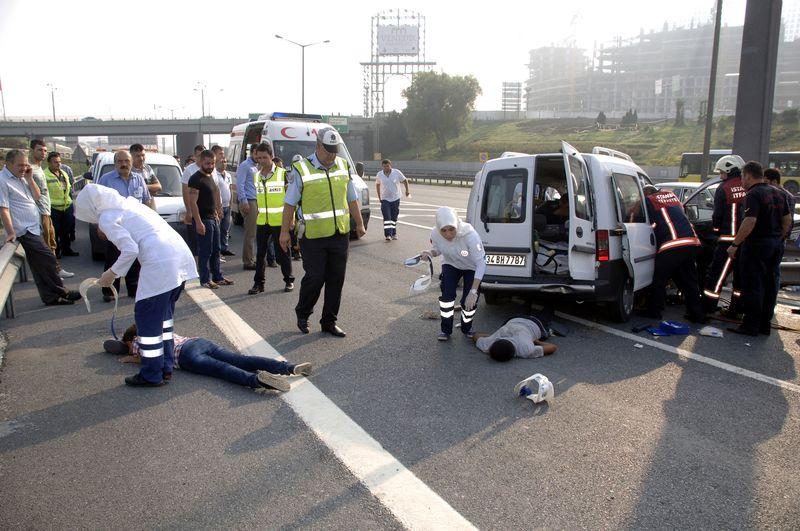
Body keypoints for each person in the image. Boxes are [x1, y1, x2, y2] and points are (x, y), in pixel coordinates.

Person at [74, 184, 198, 387]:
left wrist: (110, 274)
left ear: (91, 208)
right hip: (180, 260)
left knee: (147, 323)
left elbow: (129, 250)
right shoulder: (131, 205)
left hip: (160, 265)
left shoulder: (107, 217)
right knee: (164, 319)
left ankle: (151, 374)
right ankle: (165, 367)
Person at [279, 128, 367, 337]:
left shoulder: (343, 166)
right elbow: (289, 203)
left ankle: (329, 321)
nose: (332, 155)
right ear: (318, 146)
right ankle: (303, 313)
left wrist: (360, 223)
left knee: (337, 279)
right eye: (328, 150)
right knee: (315, 277)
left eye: (335, 151)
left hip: (339, 233)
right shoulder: (301, 169)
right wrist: (284, 232)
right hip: (313, 236)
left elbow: (352, 198)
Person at [106, 324, 312, 391]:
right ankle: (288, 367)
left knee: (222, 370)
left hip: (187, 356)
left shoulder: (137, 344)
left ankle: (256, 380)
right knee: (240, 360)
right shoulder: (156, 328)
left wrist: (130, 358)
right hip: (199, 342)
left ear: (130, 339)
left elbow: (151, 358)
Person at [0, 150, 81, 305]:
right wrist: (10, 232)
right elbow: (3, 208)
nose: (24, 168)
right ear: (8, 163)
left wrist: (29, 179)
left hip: (33, 227)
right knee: (49, 258)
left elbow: (37, 196)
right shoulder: (3, 180)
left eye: (25, 165)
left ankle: (51, 297)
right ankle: (62, 291)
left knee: (39, 266)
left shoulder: (22, 178)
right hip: (23, 230)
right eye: (20, 165)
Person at [727, 161, 791, 336]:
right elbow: (787, 220)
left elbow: (750, 221)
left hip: (757, 246)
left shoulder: (753, 194)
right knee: (770, 285)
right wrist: (778, 238)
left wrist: (735, 244)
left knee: (753, 285)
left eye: (742, 177)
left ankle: (750, 325)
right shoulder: (779, 193)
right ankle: (764, 325)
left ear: (748, 175)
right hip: (775, 244)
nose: (741, 181)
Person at [640, 185, 707, 323]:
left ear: (647, 193)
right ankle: (696, 314)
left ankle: (654, 311)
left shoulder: (650, 200)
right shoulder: (672, 196)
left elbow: (649, 223)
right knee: (690, 280)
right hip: (691, 242)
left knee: (659, 278)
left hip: (673, 244)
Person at [420, 206, 486, 341]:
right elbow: (438, 249)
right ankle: (445, 330)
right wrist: (430, 253)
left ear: (457, 225)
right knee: (447, 298)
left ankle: (467, 327)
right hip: (451, 264)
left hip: (471, 267)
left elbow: (481, 263)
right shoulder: (435, 233)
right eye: (443, 230)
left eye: (451, 229)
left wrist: (474, 291)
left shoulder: (470, 236)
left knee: (469, 301)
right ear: (439, 228)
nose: (448, 234)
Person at [96, 150, 153, 301]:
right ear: (115, 164)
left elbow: (146, 200)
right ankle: (109, 291)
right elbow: (97, 205)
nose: (123, 164)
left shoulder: (138, 179)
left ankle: (133, 288)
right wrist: (99, 225)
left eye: (126, 161)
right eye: (120, 161)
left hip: (135, 227)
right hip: (115, 227)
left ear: (131, 162)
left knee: (135, 258)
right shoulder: (106, 180)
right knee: (113, 258)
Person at [702, 154, 746, 316]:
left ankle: (707, 308)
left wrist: (714, 233)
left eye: (721, 172)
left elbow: (717, 217)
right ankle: (736, 310)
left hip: (728, 241)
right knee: (740, 279)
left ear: (729, 169)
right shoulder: (746, 186)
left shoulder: (724, 188)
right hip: (746, 242)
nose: (720, 175)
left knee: (716, 276)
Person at [249, 142, 294, 295]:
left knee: (283, 252)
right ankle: (258, 284)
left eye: (264, 157)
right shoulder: (256, 176)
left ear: (271, 157)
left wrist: (291, 220)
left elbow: (291, 199)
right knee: (260, 254)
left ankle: (289, 280)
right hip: (262, 221)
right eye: (259, 158)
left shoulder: (282, 174)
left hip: (279, 221)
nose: (261, 161)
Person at [187, 150, 233, 289]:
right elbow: (193, 202)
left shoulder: (210, 176)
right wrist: (199, 222)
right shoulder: (195, 178)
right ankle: (205, 279)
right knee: (205, 251)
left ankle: (217, 277)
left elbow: (215, 191)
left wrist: (218, 209)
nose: (210, 166)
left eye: (212, 163)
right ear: (201, 162)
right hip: (203, 220)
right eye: (207, 163)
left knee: (216, 249)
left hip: (213, 218)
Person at [29, 140, 74, 279]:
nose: (42, 153)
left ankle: (56, 270)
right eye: (39, 150)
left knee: (51, 244)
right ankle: (52, 273)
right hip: (42, 212)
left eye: (44, 150)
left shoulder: (39, 169)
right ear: (31, 150)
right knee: (46, 246)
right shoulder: (30, 169)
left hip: (48, 211)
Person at [472, 315, 558, 361]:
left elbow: (553, 347)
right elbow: (476, 335)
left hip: (535, 324)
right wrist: (492, 336)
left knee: (546, 320)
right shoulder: (489, 344)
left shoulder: (526, 350)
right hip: (514, 319)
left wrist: (537, 342)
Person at [44, 152, 78, 258]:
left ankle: (66, 250)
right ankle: (56, 251)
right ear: (49, 163)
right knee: (55, 231)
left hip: (66, 206)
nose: (58, 164)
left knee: (66, 230)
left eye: (59, 162)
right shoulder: (44, 175)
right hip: (53, 207)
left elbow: (69, 187)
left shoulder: (64, 173)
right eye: (55, 162)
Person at [236, 143, 260, 270]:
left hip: (256, 200)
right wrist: (243, 201)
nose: (259, 156)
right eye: (257, 153)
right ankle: (248, 261)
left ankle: (251, 258)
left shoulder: (256, 166)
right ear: (253, 152)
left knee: (255, 233)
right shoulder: (245, 166)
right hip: (249, 201)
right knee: (250, 233)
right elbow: (240, 184)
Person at [376, 159, 410, 241]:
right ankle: (388, 235)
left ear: (390, 165)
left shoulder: (396, 172)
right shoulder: (379, 174)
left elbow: (405, 181)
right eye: (384, 166)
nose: (386, 168)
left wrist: (407, 190)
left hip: (395, 198)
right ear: (382, 166)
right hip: (385, 199)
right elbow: (377, 185)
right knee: (387, 216)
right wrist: (379, 197)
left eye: (387, 166)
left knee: (394, 217)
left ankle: (394, 233)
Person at [212, 145, 235, 257]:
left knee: (225, 229)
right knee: (217, 229)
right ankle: (217, 251)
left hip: (227, 206)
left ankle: (224, 248)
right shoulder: (213, 174)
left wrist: (231, 203)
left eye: (225, 161)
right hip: (218, 206)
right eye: (221, 155)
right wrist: (217, 206)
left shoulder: (228, 175)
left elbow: (230, 188)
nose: (224, 161)